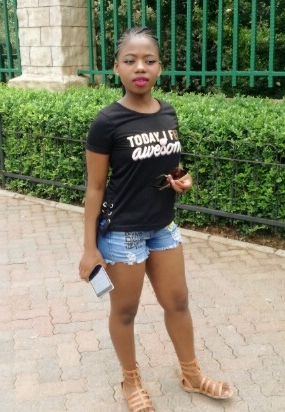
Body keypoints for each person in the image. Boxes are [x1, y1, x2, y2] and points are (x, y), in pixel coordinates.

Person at [79, 26, 233, 412]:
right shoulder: (107, 122)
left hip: (162, 227)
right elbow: (95, 188)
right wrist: (89, 248)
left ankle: (191, 374)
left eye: (148, 60)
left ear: (160, 67)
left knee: (178, 301)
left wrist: (182, 179)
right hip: (122, 233)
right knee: (125, 311)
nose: (140, 67)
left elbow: (170, 166)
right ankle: (130, 382)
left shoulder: (167, 112)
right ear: (116, 67)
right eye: (130, 60)